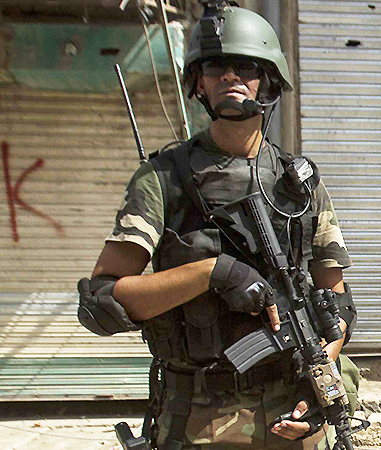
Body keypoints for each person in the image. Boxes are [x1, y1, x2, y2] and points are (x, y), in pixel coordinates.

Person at [76, 3, 356, 449]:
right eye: (215, 67)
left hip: (294, 417)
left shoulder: (299, 183)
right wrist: (212, 273)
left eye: (244, 66)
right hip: (197, 421)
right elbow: (103, 301)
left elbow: (336, 303)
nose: (230, 77)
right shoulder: (163, 179)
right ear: (198, 83)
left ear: (268, 79)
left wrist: (317, 384)